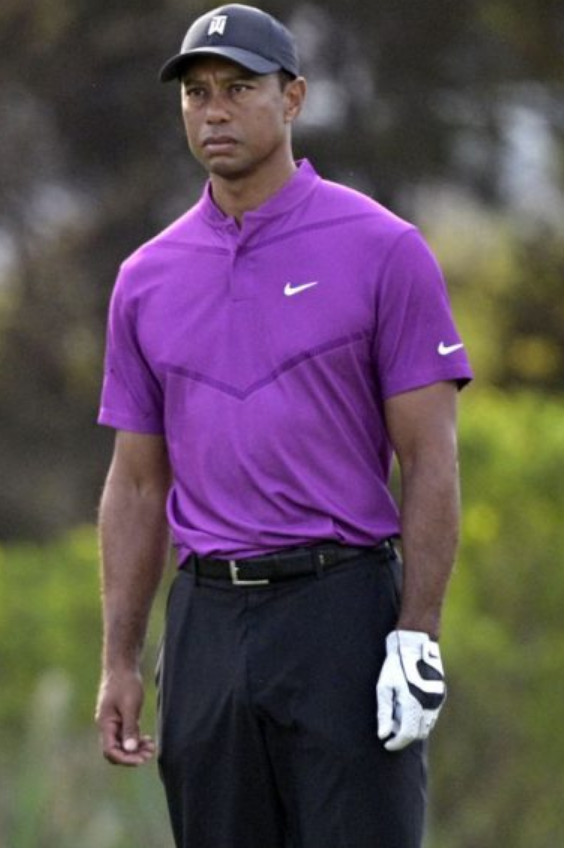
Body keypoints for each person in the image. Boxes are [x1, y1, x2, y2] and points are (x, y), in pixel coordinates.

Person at [93, 5, 471, 846]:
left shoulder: (383, 248)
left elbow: (429, 459)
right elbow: (136, 480)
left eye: (238, 89)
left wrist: (416, 636)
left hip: (340, 612)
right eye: (196, 93)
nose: (213, 111)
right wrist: (119, 660)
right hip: (207, 623)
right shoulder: (145, 277)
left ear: (293, 97)